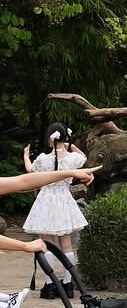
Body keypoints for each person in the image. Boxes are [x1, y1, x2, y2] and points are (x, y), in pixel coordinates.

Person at [23, 124, 89, 298]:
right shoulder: (73, 158)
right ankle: (68, 285)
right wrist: (70, 144)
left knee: (47, 245)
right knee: (67, 245)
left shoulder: (43, 159)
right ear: (65, 138)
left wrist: (25, 156)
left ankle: (50, 285)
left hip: (46, 201)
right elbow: (83, 157)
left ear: (50, 138)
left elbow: (30, 171)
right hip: (64, 200)